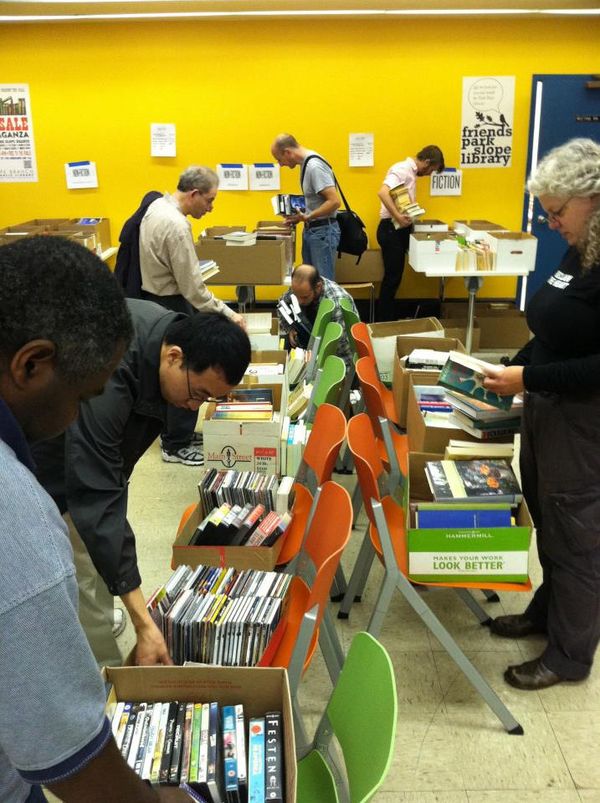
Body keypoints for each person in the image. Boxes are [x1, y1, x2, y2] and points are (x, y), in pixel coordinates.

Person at [0, 236, 190, 803]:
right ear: (31, 364)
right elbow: (70, 758)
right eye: (84, 396)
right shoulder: (17, 524)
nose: (80, 418)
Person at [33, 300, 252, 669]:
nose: (192, 407)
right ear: (174, 357)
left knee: (98, 539)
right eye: (197, 393)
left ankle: (99, 617)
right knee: (82, 550)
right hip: (42, 442)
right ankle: (102, 677)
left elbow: (110, 479)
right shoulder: (109, 368)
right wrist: (143, 622)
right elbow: (95, 488)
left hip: (72, 441)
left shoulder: (166, 337)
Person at [483, 138, 600, 691]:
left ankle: (570, 655)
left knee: (578, 534)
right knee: (548, 517)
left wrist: (527, 378)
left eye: (557, 211)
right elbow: (555, 325)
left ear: (593, 199)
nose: (551, 223)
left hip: (584, 421)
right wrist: (519, 363)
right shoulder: (583, 245)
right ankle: (545, 613)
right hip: (548, 410)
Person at [139, 165, 246, 466]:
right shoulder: (176, 224)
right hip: (174, 301)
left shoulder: (157, 206)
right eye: (210, 200)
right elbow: (194, 290)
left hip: (156, 298)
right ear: (194, 193)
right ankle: (176, 443)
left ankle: (176, 435)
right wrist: (229, 314)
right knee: (190, 372)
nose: (211, 208)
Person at [376, 145, 445, 321]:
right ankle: (384, 322)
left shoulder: (411, 174)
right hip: (391, 229)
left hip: (400, 229)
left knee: (396, 277)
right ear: (427, 162)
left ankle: (388, 318)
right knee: (392, 278)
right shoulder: (402, 169)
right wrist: (398, 216)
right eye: (431, 170)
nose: (429, 175)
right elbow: (383, 192)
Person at [271, 133, 341, 281]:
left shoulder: (314, 167)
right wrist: (300, 217)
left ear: (287, 152)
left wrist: (308, 216)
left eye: (279, 159)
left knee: (323, 283)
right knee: (310, 283)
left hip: (323, 232)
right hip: (314, 230)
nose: (280, 164)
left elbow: (334, 201)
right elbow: (317, 200)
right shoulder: (305, 164)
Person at [277, 263, 358, 373]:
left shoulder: (336, 303)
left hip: (338, 360)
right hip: (310, 348)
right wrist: (290, 328)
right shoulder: (301, 289)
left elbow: (339, 347)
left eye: (304, 297)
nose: (299, 301)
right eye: (296, 295)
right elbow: (283, 303)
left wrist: (313, 366)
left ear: (318, 286)